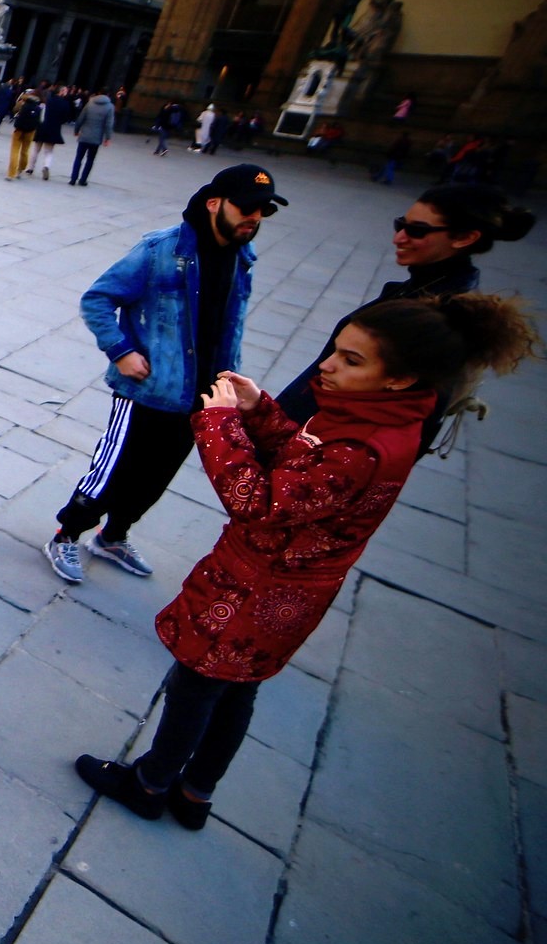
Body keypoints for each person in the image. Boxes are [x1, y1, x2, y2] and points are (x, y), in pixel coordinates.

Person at [75, 293, 538, 830]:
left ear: (400, 379)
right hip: (285, 590)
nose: (328, 364)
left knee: (196, 685)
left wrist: (220, 422)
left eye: (351, 360)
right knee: (235, 689)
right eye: (337, 350)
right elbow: (304, 463)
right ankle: (196, 792)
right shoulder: (371, 419)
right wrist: (260, 410)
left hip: (256, 590)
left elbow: (259, 501)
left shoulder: (365, 444)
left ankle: (150, 783)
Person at [46, 164, 282, 585]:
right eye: (246, 207)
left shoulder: (242, 258)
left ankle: (113, 536)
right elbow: (98, 298)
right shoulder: (161, 250)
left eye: (263, 210)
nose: (254, 217)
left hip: (202, 395)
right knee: (114, 467)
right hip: (146, 388)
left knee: (155, 477)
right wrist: (121, 351)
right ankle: (67, 534)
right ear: (214, 203)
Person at [277, 185, 534, 441]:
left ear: (464, 238)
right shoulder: (418, 290)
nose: (398, 237)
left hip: (316, 444)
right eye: (400, 224)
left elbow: (412, 418)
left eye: (417, 231)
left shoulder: (437, 317)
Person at [69, 89, 115, 186]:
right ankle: (83, 180)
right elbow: (108, 124)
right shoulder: (110, 107)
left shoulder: (90, 103)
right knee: (90, 159)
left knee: (78, 157)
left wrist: (76, 131)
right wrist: (108, 138)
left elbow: (81, 118)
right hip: (96, 137)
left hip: (84, 135)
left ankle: (73, 178)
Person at [32, 81, 74, 180]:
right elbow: (65, 118)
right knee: (49, 151)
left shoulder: (48, 100)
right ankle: (46, 166)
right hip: (54, 128)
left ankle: (30, 168)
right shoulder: (65, 104)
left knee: (36, 149)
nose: (67, 93)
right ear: (62, 92)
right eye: (66, 91)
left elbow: (41, 112)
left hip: (43, 126)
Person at [6, 83, 43, 180]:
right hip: (30, 131)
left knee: (15, 150)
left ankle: (11, 173)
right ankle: (21, 169)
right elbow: (40, 121)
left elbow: (14, 110)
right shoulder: (38, 107)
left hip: (19, 129)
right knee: (25, 150)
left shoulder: (22, 102)